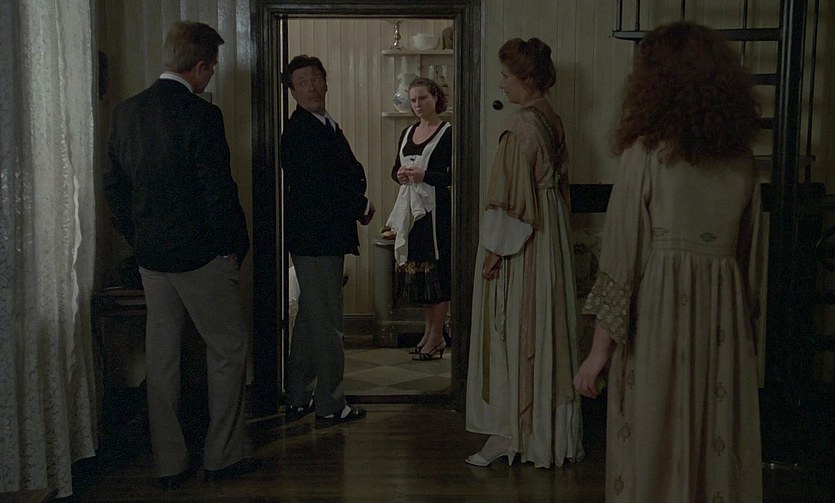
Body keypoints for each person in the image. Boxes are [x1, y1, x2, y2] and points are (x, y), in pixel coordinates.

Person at [572, 21, 763, 501]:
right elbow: (748, 262)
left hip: (659, 316)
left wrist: (597, 354)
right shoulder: (742, 160)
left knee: (653, 440)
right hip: (723, 323)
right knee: (715, 442)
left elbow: (621, 256)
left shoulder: (645, 154)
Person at [105, 20, 258, 489]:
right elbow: (218, 191)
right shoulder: (202, 115)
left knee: (163, 358)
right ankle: (222, 455)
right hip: (201, 255)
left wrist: (140, 239)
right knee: (228, 349)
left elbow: (115, 190)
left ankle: (169, 462)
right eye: (212, 68)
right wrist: (234, 246)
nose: (211, 76)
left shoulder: (127, 112)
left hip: (152, 257)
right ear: (201, 66)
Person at [465, 38, 584, 468]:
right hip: (550, 236)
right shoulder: (553, 118)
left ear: (527, 79)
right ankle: (544, 436)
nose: (501, 84)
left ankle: (510, 433)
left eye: (505, 76)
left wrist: (495, 252)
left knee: (514, 328)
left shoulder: (520, 125)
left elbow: (512, 198)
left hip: (527, 241)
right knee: (544, 327)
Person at [280, 55, 373, 426]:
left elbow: (343, 174)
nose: (312, 88)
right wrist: (360, 205)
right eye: (303, 83)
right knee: (328, 321)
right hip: (316, 237)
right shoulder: (301, 130)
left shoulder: (323, 123)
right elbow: (323, 186)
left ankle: (298, 396)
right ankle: (331, 404)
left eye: (316, 79)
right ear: (292, 91)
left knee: (310, 317)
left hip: (320, 236)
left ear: (326, 81)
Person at [386, 77, 453, 361]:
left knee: (438, 273)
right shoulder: (407, 132)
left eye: (423, 98)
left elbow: (454, 175)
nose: (417, 105)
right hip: (412, 212)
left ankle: (437, 335)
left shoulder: (448, 133)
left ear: (436, 97)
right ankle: (428, 332)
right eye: (413, 100)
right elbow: (395, 168)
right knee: (423, 277)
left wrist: (426, 176)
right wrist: (400, 175)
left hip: (436, 212)